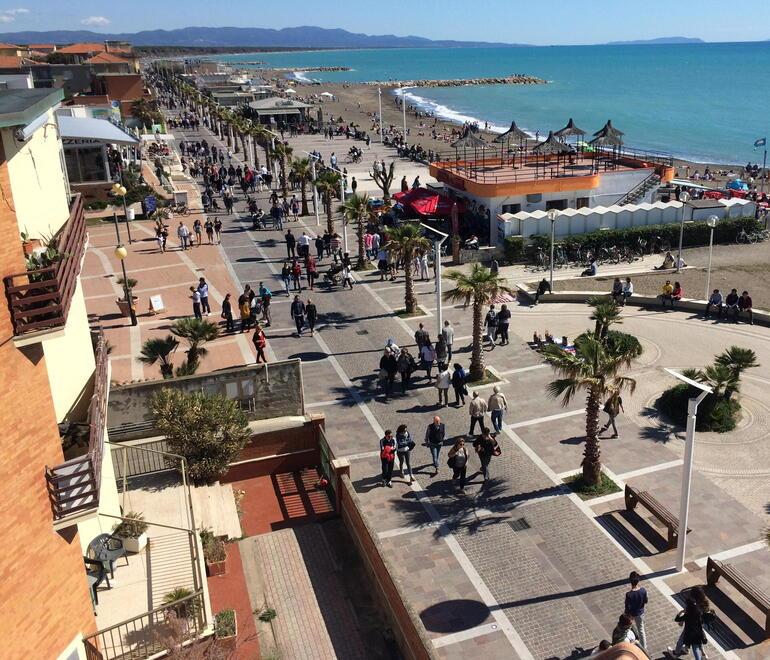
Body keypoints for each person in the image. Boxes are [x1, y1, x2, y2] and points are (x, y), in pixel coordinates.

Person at [668, 587, 714, 659]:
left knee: (682, 640)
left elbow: (687, 615)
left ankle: (675, 653)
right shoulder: (705, 602)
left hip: (691, 626)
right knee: (697, 640)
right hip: (699, 624)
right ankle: (700, 653)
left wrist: (681, 621)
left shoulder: (692, 604)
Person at [624, 571, 648, 651]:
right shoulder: (643, 590)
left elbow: (627, 606)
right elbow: (646, 601)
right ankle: (644, 648)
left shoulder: (629, 594)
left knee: (627, 628)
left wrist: (626, 614)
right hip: (640, 613)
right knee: (641, 630)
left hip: (631, 614)